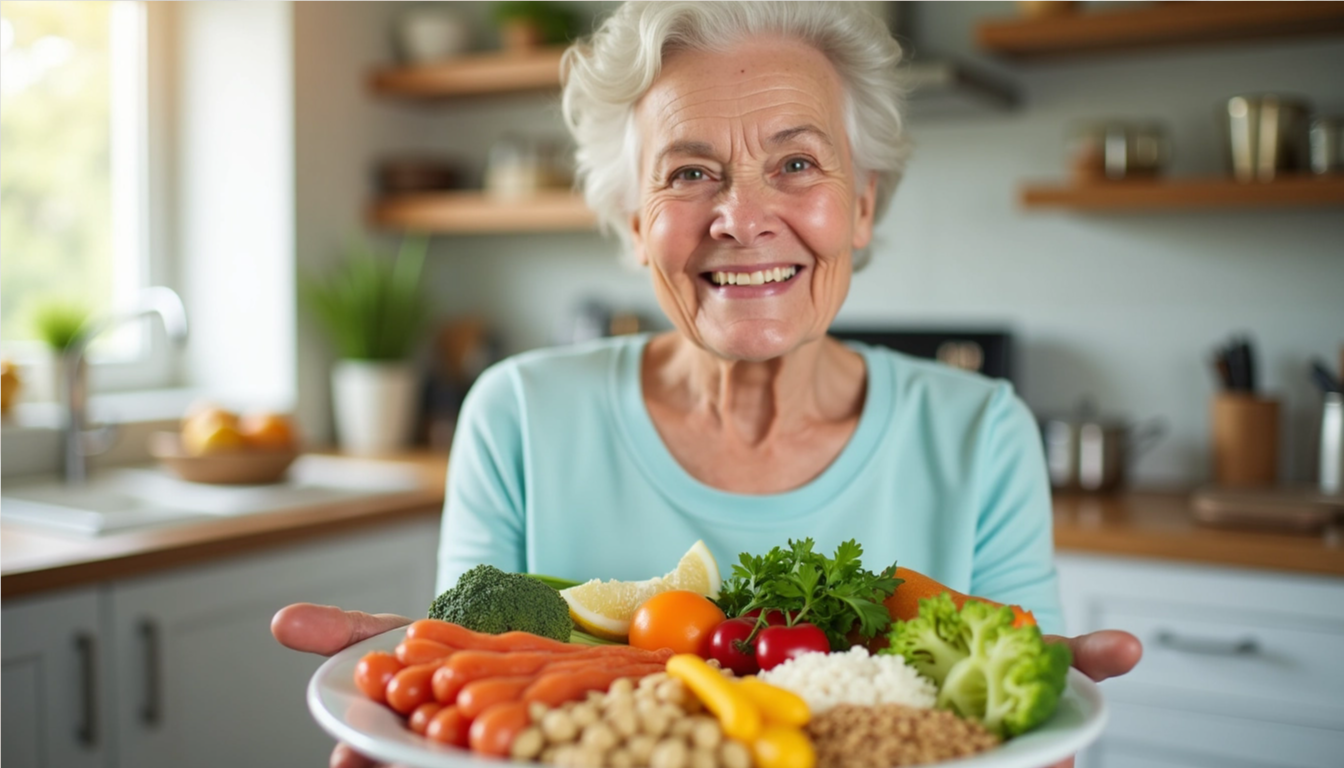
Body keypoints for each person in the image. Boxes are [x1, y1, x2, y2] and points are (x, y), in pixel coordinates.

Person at [273, 3, 1141, 766]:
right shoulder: (518, 415)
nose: (742, 216)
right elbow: (469, 685)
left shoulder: (981, 430)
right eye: (689, 173)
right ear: (635, 223)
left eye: (797, 164)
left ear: (864, 203)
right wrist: (421, 705)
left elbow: (1017, 712)